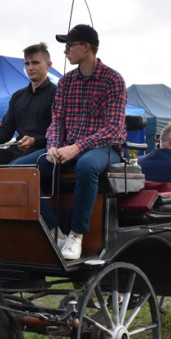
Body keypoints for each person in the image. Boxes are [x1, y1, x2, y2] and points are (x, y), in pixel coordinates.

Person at [37, 23, 126, 261]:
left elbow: (114, 128)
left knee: (86, 165)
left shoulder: (113, 80)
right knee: (21, 170)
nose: (65, 51)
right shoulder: (66, 82)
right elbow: (57, 120)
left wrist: (77, 147)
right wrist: (53, 147)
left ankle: (77, 234)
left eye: (69, 46)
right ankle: (54, 231)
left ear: (86, 47)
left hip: (105, 148)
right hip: (67, 148)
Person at [0, 43, 56, 165]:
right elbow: (6, 130)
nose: (30, 67)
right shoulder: (18, 96)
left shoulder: (57, 95)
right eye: (27, 63)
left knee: (13, 170)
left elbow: (61, 133)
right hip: (16, 150)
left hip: (43, 152)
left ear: (48, 65)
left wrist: (35, 141)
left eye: (35, 62)